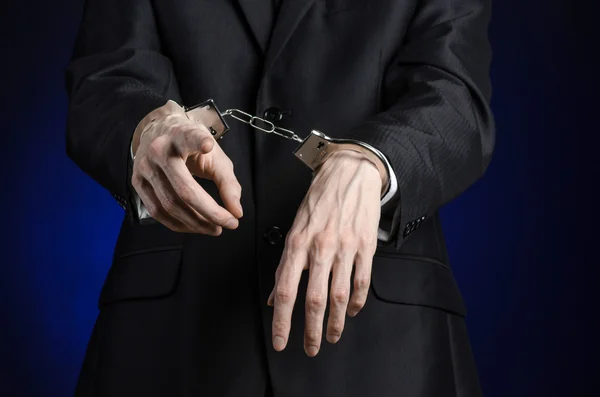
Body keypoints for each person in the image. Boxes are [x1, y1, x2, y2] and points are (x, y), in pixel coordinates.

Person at [65, 0, 495, 396]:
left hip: (387, 351)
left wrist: (372, 162)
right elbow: (105, 79)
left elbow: (455, 97)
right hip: (172, 342)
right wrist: (146, 132)